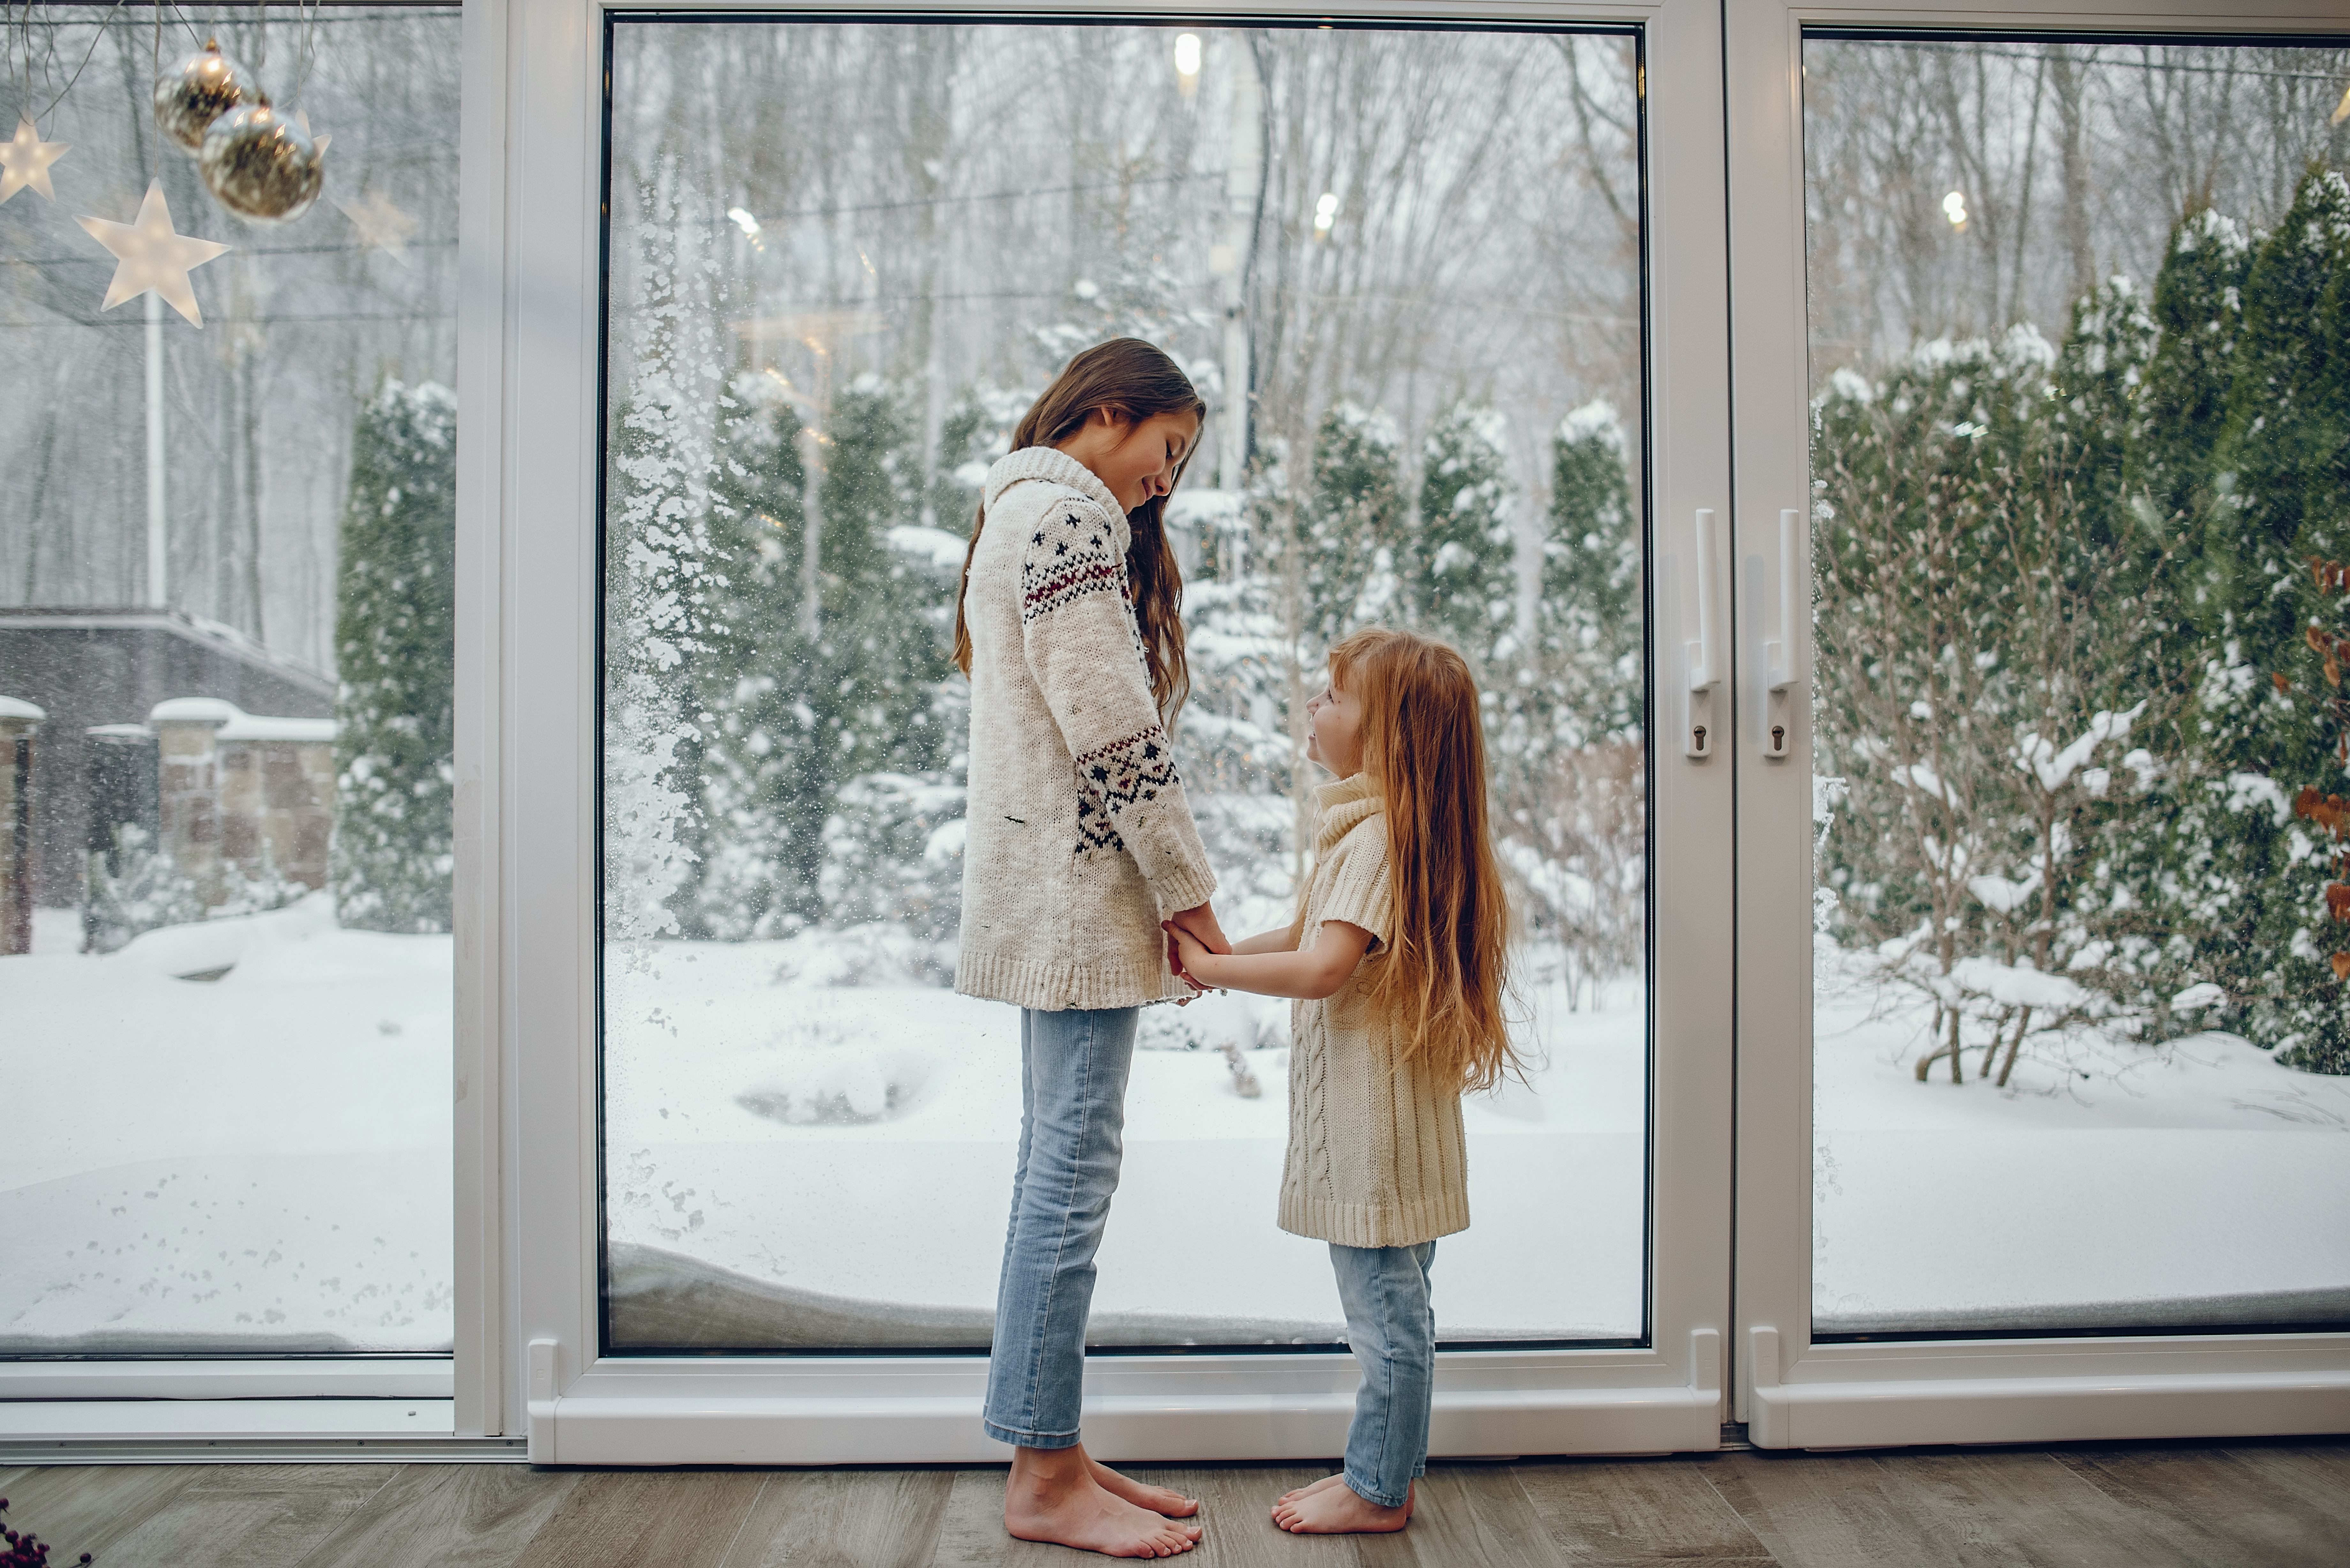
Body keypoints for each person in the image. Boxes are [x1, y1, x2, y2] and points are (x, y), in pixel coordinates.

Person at [953, 337, 1231, 1558]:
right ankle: (1042, 1472)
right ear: (1108, 413)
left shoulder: (1013, 516)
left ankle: (1050, 1444)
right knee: (1070, 1178)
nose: (1164, 484)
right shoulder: (1068, 529)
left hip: (1039, 895)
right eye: (1166, 452)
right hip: (1077, 902)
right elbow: (1114, 735)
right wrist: (1187, 896)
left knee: (1052, 1170)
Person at [1166, 627, 1517, 1536]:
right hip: (1398, 1129)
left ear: (1388, 734)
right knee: (1399, 1307)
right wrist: (1212, 958)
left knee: (1388, 1320)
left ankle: (1379, 1488)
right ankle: (1379, 1474)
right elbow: (1309, 931)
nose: (1313, 711)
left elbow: (1323, 967)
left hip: (1375, 1137)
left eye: (1332, 698)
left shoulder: (1377, 841)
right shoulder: (1383, 832)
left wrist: (1216, 971)